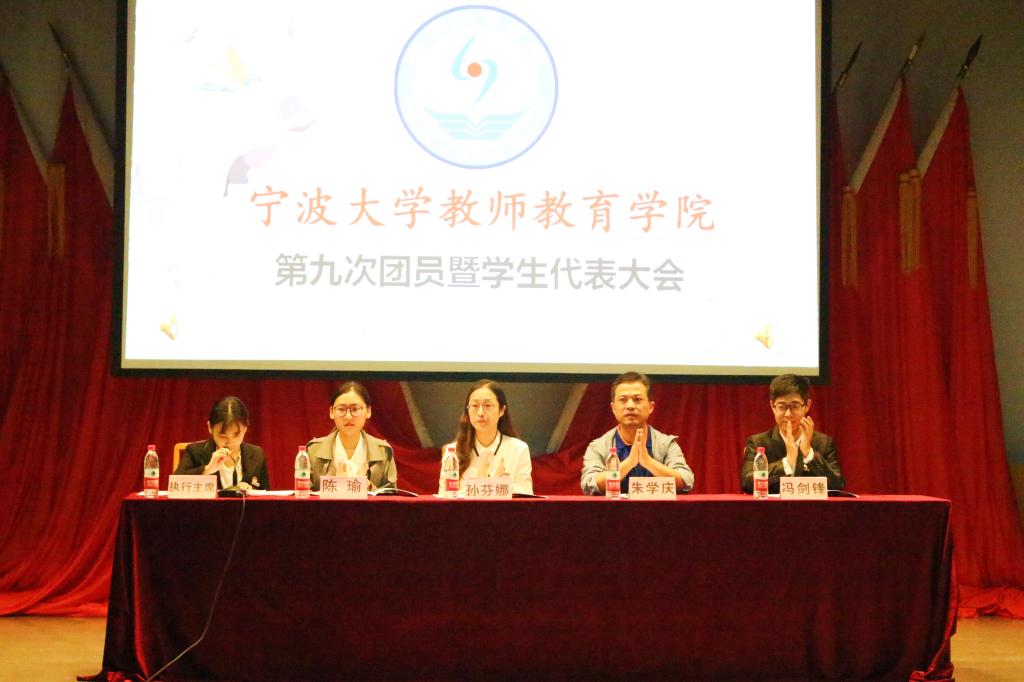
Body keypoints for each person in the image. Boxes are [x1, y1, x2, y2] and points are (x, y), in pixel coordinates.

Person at [581, 371, 694, 495]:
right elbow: (589, 483)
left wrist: (648, 462)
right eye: (623, 400)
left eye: (637, 399)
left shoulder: (666, 444)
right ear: (613, 408)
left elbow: (686, 480)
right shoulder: (598, 447)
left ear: (651, 407)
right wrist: (629, 462)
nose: (630, 406)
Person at [739, 374, 845, 494]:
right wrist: (787, 462)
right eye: (782, 407)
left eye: (795, 406)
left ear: (807, 405)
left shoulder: (824, 443)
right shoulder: (759, 442)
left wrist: (809, 454)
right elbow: (747, 483)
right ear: (773, 407)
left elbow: (838, 485)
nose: (788, 414)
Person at [441, 379, 533, 495]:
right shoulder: (452, 452)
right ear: (468, 410)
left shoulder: (518, 449)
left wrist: (498, 484)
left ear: (501, 410)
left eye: (488, 405)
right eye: (474, 405)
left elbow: (527, 494)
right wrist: (479, 485)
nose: (480, 413)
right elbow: (445, 496)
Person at [307, 381, 398, 491]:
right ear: (331, 412)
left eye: (355, 409)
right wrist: (337, 484)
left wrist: (368, 487)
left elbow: (391, 496)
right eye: (341, 409)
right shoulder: (313, 450)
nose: (348, 417)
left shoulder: (383, 451)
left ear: (368, 411)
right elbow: (304, 496)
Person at [175, 396, 270, 490]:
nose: (230, 441)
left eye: (236, 434)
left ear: (245, 428)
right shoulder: (195, 451)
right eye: (222, 435)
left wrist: (251, 490)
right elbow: (175, 484)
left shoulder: (257, 454)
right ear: (210, 427)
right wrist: (207, 470)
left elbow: (266, 493)